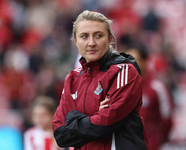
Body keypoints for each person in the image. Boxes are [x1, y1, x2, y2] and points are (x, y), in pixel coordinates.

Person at [52, 10, 148, 150]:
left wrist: (73, 119)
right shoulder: (71, 79)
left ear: (110, 39)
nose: (91, 43)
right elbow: (60, 134)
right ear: (76, 42)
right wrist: (94, 115)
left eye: (98, 35)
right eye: (84, 36)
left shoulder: (125, 71)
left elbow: (104, 124)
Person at [126, 44, 173, 150]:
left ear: (145, 62)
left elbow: (166, 119)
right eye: (127, 59)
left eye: (134, 59)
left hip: (151, 145)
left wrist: (158, 140)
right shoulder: (122, 87)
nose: (129, 64)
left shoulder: (156, 87)